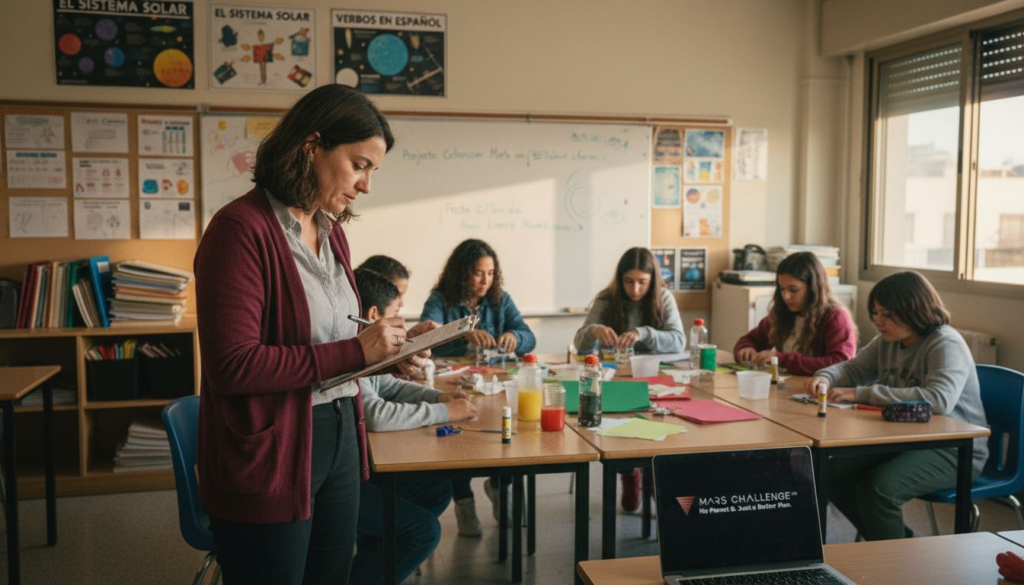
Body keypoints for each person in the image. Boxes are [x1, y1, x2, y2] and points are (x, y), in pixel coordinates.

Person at [194, 84, 426, 585]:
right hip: (274, 446)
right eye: (360, 164)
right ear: (312, 146)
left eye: (372, 171)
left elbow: (335, 342)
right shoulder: (239, 230)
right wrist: (355, 351)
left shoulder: (331, 229)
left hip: (341, 431)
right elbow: (233, 366)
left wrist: (387, 352)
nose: (366, 185)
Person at [806, 271, 989, 541]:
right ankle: (897, 542)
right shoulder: (887, 342)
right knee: (830, 474)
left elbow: (938, 399)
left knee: (879, 489)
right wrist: (825, 376)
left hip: (955, 447)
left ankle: (894, 559)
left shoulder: (945, 343)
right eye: (876, 313)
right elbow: (853, 369)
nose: (878, 321)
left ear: (913, 311)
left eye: (887, 315)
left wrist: (863, 394)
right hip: (905, 437)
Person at [351, 268, 478, 584]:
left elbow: (390, 389)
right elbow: (377, 414)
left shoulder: (366, 342)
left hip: (358, 469)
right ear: (373, 314)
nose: (402, 322)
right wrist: (447, 412)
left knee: (435, 489)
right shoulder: (353, 348)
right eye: (396, 313)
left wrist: (439, 397)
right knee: (424, 532)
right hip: (339, 483)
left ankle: (372, 567)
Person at [420, 239, 536, 536]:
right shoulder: (441, 299)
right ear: (461, 272)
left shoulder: (501, 299)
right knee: (456, 442)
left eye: (490, 273)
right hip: (452, 384)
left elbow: (528, 335)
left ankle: (498, 486)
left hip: (493, 386)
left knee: (505, 432)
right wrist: (463, 334)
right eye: (477, 273)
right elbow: (426, 335)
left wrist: (514, 336)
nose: (485, 280)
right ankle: (464, 501)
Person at [573, 247, 686, 512]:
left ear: (653, 281)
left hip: (655, 379)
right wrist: (594, 330)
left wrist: (643, 332)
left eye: (642, 282)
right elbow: (580, 343)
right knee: (619, 425)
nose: (635, 289)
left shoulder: (664, 298)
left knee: (662, 427)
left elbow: (679, 340)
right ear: (620, 279)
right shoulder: (606, 299)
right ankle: (629, 474)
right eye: (629, 281)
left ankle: (653, 477)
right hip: (615, 380)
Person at [734, 251, 857, 375]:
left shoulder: (835, 317)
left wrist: (782, 360)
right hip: (789, 386)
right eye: (782, 289)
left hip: (818, 390)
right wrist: (746, 349)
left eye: (793, 290)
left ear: (812, 288)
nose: (786, 296)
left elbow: (841, 363)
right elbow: (750, 339)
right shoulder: (782, 312)